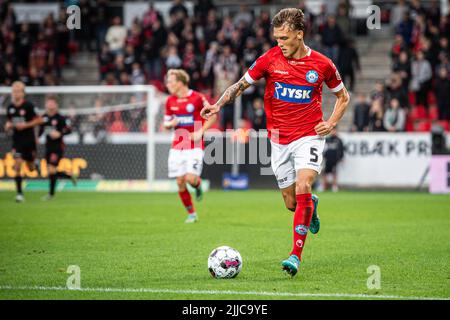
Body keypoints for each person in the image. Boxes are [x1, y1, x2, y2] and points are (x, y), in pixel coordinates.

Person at [200, 8, 350, 277]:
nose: (279, 42)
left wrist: (331, 122)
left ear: (299, 34)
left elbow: (343, 97)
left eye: (284, 37)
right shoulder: (269, 59)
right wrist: (217, 104)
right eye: (276, 37)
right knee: (292, 204)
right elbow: (239, 85)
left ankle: (295, 255)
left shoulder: (323, 64)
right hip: (279, 139)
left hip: (309, 135)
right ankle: (310, 205)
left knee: (304, 183)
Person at [164, 69, 217, 223]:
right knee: (180, 182)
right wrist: (170, 124)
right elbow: (166, 123)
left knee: (190, 179)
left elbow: (213, 115)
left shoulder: (198, 98)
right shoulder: (170, 101)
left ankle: (198, 185)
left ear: (180, 83)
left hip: (194, 144)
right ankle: (192, 214)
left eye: (170, 81)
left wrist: (201, 131)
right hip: (178, 145)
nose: (168, 84)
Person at [4, 81, 42, 202]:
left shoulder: (29, 106)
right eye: (14, 91)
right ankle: (19, 193)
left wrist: (25, 125)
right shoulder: (10, 108)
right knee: (17, 164)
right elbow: (9, 122)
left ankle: (35, 163)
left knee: (31, 169)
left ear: (23, 93)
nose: (16, 93)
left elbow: (39, 120)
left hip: (29, 140)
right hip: (17, 141)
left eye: (18, 91)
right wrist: (8, 126)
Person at [38, 95, 77, 201]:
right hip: (48, 147)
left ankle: (51, 194)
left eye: (52, 103)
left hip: (57, 148)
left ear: (56, 105)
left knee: (51, 169)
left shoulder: (60, 118)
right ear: (46, 104)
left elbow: (69, 130)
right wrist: (36, 138)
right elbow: (40, 130)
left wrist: (60, 133)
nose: (50, 105)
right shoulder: (43, 117)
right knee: (51, 171)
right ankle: (68, 176)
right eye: (48, 103)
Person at [322, 127, 344, 192]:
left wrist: (341, 158)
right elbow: (323, 149)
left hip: (335, 160)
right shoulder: (327, 139)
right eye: (332, 130)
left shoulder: (339, 140)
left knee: (334, 173)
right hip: (327, 159)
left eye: (334, 130)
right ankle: (324, 186)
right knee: (325, 173)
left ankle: (334, 186)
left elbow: (341, 150)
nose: (333, 132)